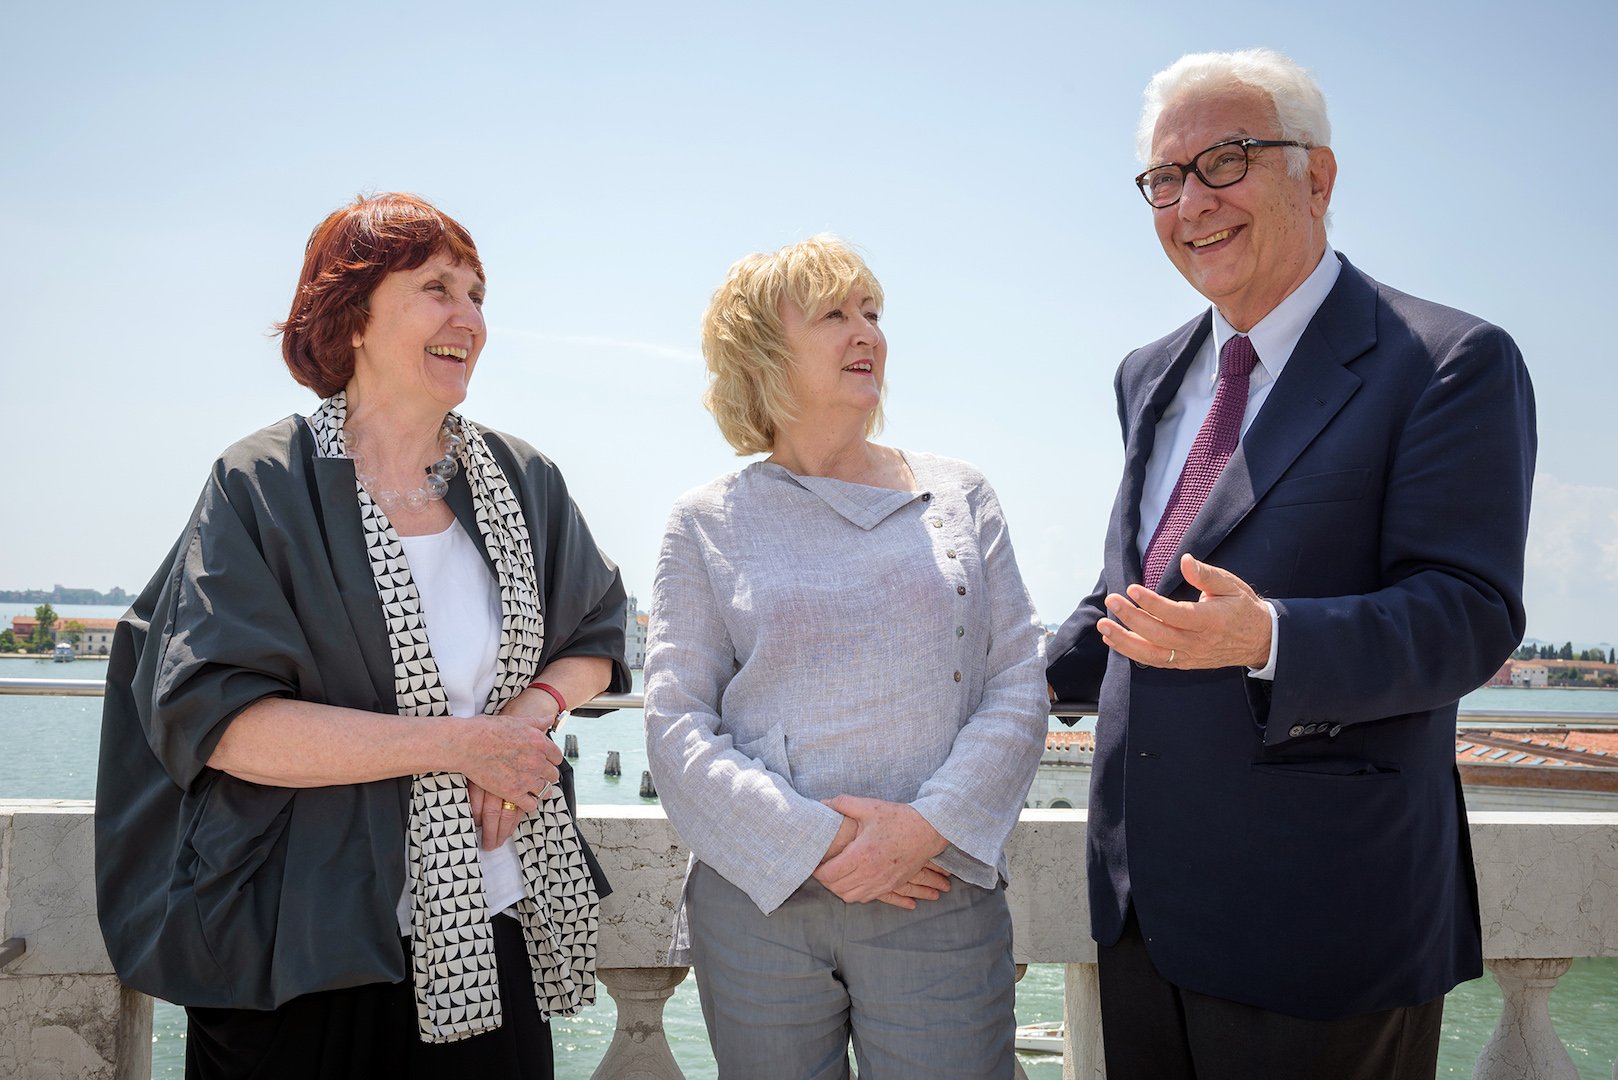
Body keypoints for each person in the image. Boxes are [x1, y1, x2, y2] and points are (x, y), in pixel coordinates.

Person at [1046, 48, 1536, 1080]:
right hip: (1141, 912)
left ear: (1316, 176)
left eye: (1225, 162)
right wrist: (979, 676)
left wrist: (1268, 637)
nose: (1191, 202)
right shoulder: (1149, 374)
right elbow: (1121, 605)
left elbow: (1467, 613)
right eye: (1164, 180)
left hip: (1325, 921)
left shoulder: (1448, 361)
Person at [94, 192, 630, 1080]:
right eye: (436, 290)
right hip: (299, 942)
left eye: (477, 293)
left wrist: (532, 714)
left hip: (487, 926)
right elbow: (225, 723)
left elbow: (599, 635)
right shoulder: (260, 485)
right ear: (352, 319)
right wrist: (465, 747)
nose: (470, 318)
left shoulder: (521, 478)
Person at [644, 235, 1048, 1079]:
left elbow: (1016, 683)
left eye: (872, 311)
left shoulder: (960, 493)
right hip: (760, 901)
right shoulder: (705, 520)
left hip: (935, 889)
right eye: (834, 314)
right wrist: (820, 842)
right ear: (761, 350)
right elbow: (677, 723)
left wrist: (921, 830)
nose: (866, 331)